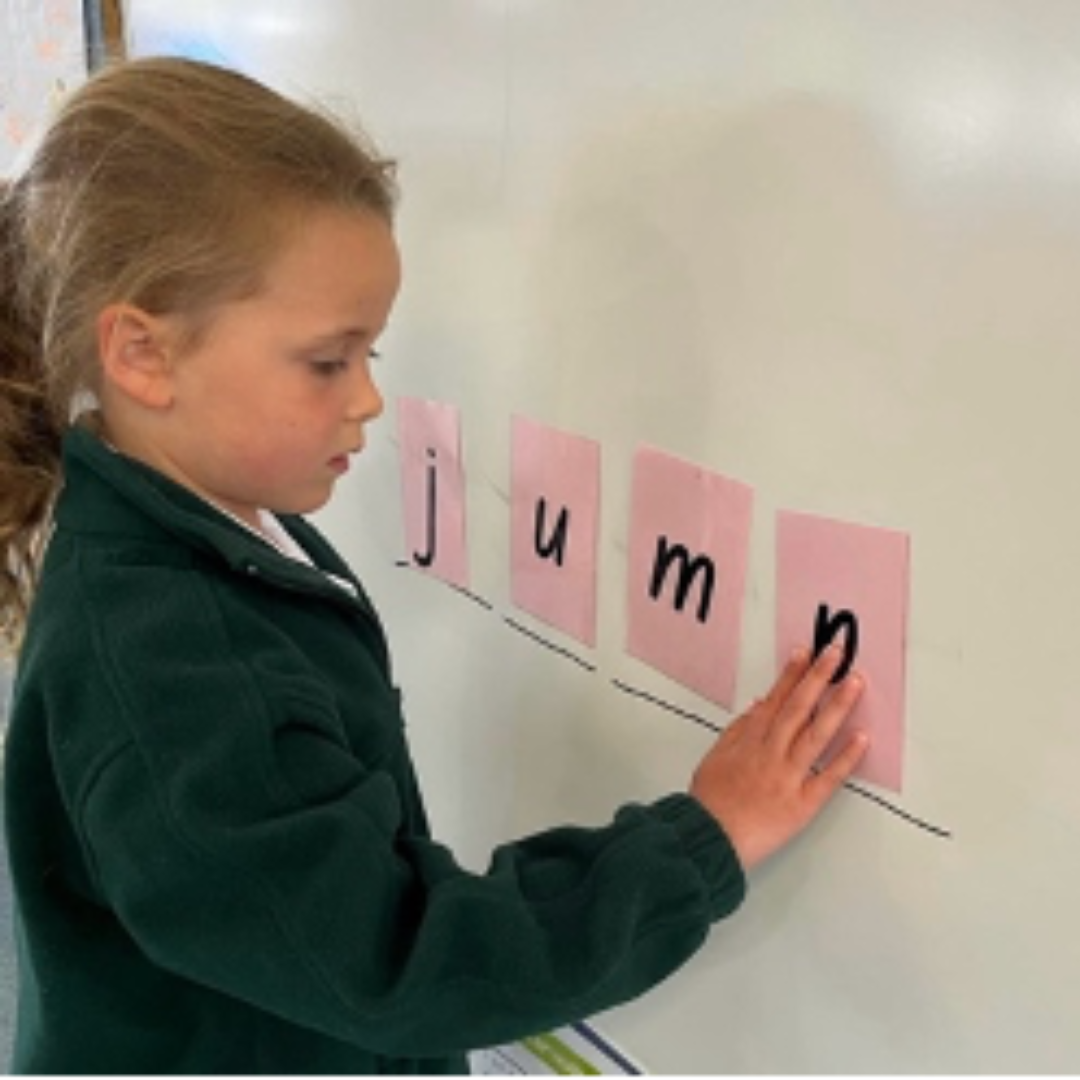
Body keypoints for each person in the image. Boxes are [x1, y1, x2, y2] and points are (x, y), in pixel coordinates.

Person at [0, 57, 868, 1074]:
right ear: (143, 356)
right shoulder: (176, 669)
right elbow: (397, 958)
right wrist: (703, 838)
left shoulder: (215, 525)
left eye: (371, 354)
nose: (368, 398)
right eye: (329, 360)